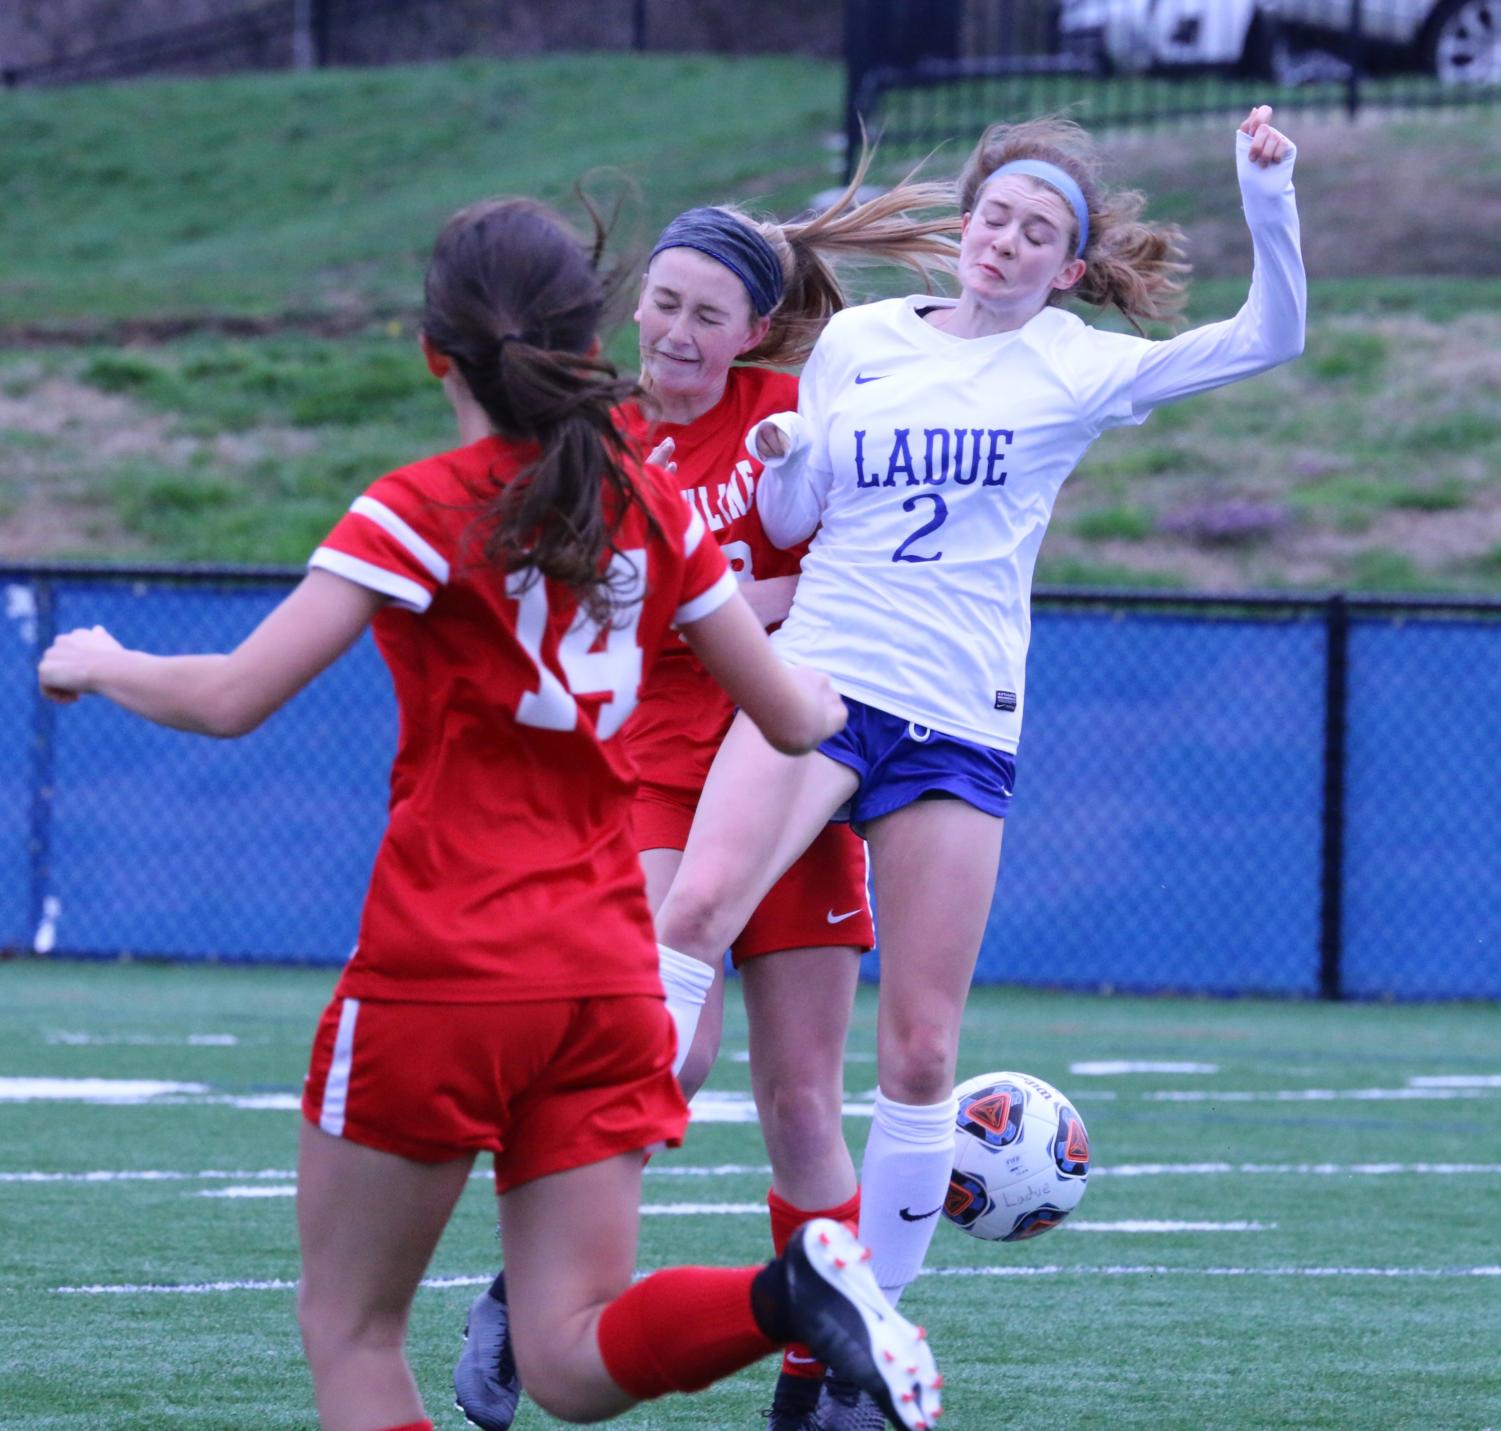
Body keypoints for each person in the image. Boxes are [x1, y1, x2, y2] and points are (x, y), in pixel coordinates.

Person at [36, 196, 944, 1431]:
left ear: (433, 353)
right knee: (570, 1362)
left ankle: (794, 1296)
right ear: (594, 334)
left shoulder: (418, 506)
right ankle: (785, 1295)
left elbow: (234, 695)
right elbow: (797, 721)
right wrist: (840, 679)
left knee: (351, 1332)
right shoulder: (654, 502)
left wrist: (97, 660)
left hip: (447, 965)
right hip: (607, 975)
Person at [650, 105, 1305, 1429]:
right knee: (691, 919)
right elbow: (786, 519)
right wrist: (791, 452)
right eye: (997, 215)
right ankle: (564, 1222)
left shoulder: (1074, 362)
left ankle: (858, 1351)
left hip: (961, 718)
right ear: (966, 226)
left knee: (922, 1044)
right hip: (821, 684)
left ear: (1067, 265)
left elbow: (1270, 337)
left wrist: (1264, 194)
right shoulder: (855, 343)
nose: (1009, 240)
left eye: (1040, 231)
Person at [452, 177, 960, 1431]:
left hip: (800, 762)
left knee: (799, 1094)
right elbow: (565, 602)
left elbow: (870, 559)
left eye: (706, 314)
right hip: (661, 766)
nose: (675, 332)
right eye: (661, 306)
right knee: (659, 1044)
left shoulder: (799, 413)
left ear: (755, 332)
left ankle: (824, 1367)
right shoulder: (594, 435)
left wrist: (766, 614)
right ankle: (533, 1286)